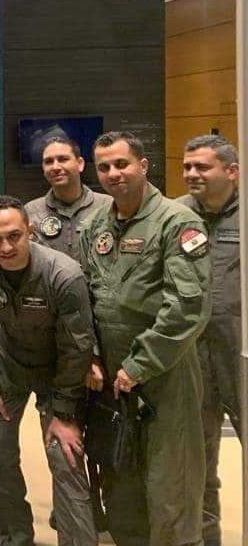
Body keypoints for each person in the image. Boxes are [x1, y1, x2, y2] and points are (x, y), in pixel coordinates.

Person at [79, 130, 210, 545]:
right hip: (110, 377)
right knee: (121, 479)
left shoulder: (178, 222)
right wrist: (92, 356)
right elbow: (84, 299)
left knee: (171, 483)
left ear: (143, 165)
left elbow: (187, 306)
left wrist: (139, 365)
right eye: (104, 167)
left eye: (122, 164)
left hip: (165, 371)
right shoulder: (94, 226)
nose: (113, 173)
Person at [0, 196, 98, 546]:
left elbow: (77, 347)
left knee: (64, 457)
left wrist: (64, 413)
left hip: (58, 369)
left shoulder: (62, 274)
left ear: (30, 231)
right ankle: (16, 537)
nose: (5, 247)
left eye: (14, 236)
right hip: (7, 363)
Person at [178, 134, 241, 546]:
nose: (191, 174)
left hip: (241, 356)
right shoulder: (176, 215)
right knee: (198, 463)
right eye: (187, 167)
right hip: (193, 357)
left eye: (202, 166)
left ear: (231, 171)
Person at [26, 136, 111, 260]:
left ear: (80, 164)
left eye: (63, 159)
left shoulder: (108, 206)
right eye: (48, 161)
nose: (55, 167)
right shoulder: (31, 211)